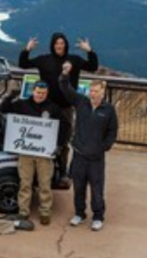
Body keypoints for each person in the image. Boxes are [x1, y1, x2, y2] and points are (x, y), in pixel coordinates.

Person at [18, 32, 99, 185]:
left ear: (65, 44)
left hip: (66, 108)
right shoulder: (44, 60)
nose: (59, 46)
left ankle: (62, 173)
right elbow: (23, 64)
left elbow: (93, 67)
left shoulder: (74, 60)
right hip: (46, 108)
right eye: (56, 43)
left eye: (62, 43)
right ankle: (44, 171)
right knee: (44, 139)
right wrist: (27, 49)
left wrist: (89, 51)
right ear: (52, 45)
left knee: (63, 141)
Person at [59, 61, 118, 232]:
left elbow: (112, 131)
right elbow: (66, 89)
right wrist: (64, 74)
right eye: (91, 91)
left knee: (97, 189)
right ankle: (79, 213)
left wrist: (104, 146)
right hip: (78, 156)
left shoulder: (109, 110)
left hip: (96, 159)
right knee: (78, 188)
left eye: (96, 91)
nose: (93, 94)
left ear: (103, 92)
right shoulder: (81, 102)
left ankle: (98, 216)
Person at [1, 81, 63, 226]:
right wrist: (10, 96)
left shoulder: (53, 108)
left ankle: (45, 212)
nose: (40, 95)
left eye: (43, 93)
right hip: (26, 152)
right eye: (38, 92)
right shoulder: (22, 105)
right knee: (25, 183)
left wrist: (59, 144)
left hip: (45, 153)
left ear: (46, 93)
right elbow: (4, 108)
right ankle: (23, 212)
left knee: (45, 184)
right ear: (33, 91)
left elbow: (64, 126)